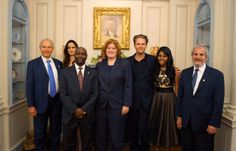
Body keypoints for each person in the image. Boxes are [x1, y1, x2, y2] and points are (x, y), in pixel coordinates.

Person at [176, 45, 225, 151]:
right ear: (192, 56)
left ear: (206, 57)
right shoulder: (185, 73)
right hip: (186, 122)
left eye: (201, 54)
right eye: (195, 54)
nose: (198, 57)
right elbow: (180, 96)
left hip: (205, 124)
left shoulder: (217, 75)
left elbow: (218, 102)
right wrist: (179, 116)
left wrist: (214, 123)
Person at [95, 39, 132, 151]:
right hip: (101, 105)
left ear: (117, 50)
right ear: (105, 50)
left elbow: (128, 85)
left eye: (113, 48)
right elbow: (96, 85)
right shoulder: (99, 65)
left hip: (118, 105)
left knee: (116, 136)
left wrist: (127, 104)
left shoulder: (124, 64)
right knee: (100, 135)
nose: (111, 50)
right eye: (109, 48)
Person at [26, 38, 63, 151]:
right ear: (40, 48)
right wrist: (31, 105)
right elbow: (29, 85)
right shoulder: (32, 64)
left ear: (52, 49)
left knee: (55, 130)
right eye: (44, 47)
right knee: (39, 131)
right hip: (39, 103)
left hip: (56, 101)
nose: (46, 49)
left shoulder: (58, 63)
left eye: (49, 47)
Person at [59, 47, 98, 151]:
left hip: (87, 114)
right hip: (69, 114)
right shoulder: (64, 72)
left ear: (86, 56)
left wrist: (84, 109)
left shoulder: (93, 72)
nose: (80, 55)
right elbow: (63, 93)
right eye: (78, 53)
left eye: (83, 54)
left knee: (87, 143)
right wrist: (74, 110)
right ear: (74, 55)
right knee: (68, 144)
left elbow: (95, 93)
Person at [127, 34, 156, 151]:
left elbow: (165, 67)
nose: (140, 46)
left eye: (143, 44)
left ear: (146, 45)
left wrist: (176, 71)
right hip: (132, 101)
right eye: (138, 44)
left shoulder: (153, 60)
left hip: (147, 100)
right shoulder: (127, 61)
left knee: (145, 130)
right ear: (134, 45)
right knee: (132, 129)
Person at [149, 46, 180, 150]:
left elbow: (177, 89)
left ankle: (167, 148)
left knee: (168, 125)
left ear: (169, 57)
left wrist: (178, 105)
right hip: (156, 99)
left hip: (169, 100)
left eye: (164, 56)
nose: (161, 58)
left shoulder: (174, 70)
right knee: (156, 124)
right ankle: (156, 148)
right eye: (159, 56)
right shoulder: (154, 69)